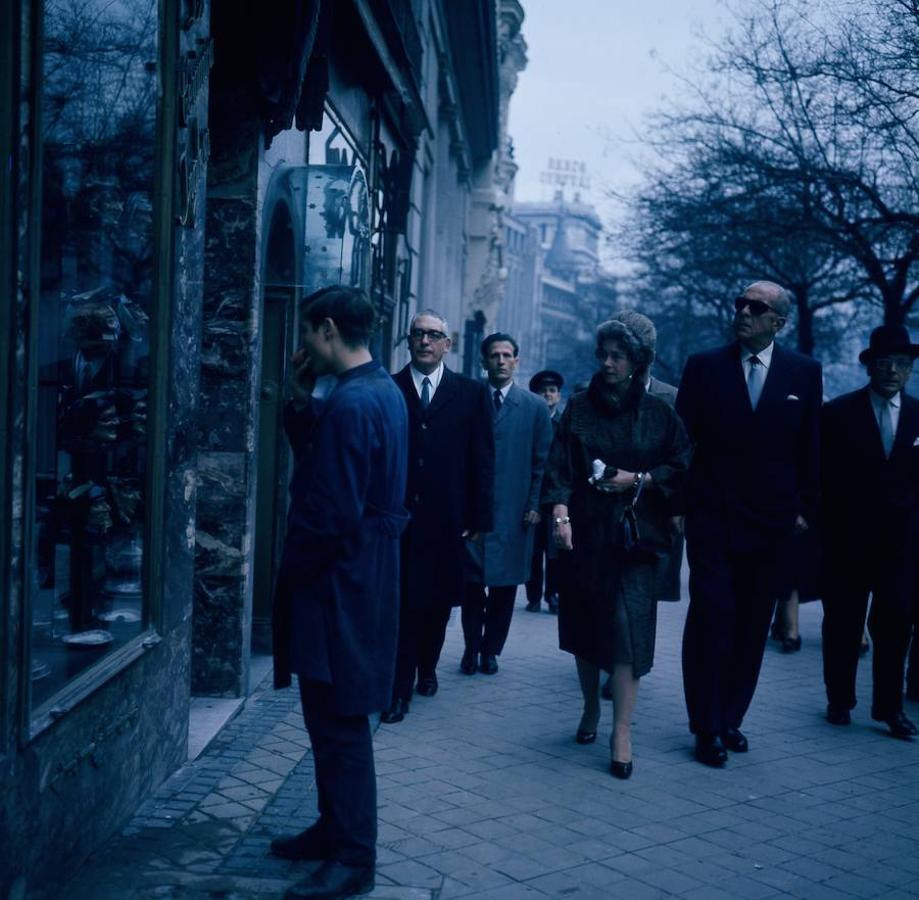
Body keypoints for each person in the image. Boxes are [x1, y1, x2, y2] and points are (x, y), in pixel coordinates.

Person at [269, 286, 409, 900]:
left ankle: (354, 857)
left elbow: (330, 509)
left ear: (327, 329)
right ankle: (334, 831)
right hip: (358, 573)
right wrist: (301, 403)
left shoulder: (355, 402)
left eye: (306, 333)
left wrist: (296, 570)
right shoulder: (376, 391)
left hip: (340, 582)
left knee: (340, 719)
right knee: (329, 716)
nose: (302, 346)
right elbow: (332, 466)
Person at [677, 281, 822, 767]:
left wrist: (804, 509)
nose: (742, 311)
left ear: (778, 321)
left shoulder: (804, 372)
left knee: (752, 623)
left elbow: (810, 449)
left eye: (755, 307)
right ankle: (705, 725)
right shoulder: (704, 368)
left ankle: (731, 717)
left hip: (772, 525)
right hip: (713, 519)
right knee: (711, 617)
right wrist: (682, 506)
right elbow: (682, 446)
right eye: (739, 303)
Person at [543, 319, 689, 779]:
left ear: (636, 362)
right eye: (602, 354)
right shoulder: (579, 408)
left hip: (636, 538)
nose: (607, 363)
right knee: (586, 626)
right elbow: (558, 467)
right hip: (586, 535)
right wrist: (561, 515)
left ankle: (621, 730)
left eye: (617, 356)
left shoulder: (659, 411)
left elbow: (682, 465)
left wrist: (639, 480)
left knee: (628, 632)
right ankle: (590, 708)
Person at [382, 310, 495, 723]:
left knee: (438, 604)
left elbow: (483, 458)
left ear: (448, 344)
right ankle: (399, 689)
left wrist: (480, 518)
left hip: (449, 520)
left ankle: (427, 666)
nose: (425, 341)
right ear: (408, 341)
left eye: (434, 335)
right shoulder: (389, 389)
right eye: (418, 334)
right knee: (405, 605)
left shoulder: (469, 393)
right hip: (400, 518)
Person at [821, 324, 919, 737]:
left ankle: (889, 708)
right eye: (884, 363)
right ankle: (839, 700)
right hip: (848, 538)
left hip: (901, 543)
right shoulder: (839, 413)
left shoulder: (918, 416)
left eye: (901, 364)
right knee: (843, 621)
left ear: (911, 370)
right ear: (869, 368)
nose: (892, 371)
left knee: (896, 624)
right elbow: (821, 474)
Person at [599, 310, 685, 701]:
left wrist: (647, 484)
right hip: (604, 517)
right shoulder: (597, 392)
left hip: (651, 520)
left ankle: (632, 667)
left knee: (639, 600)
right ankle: (611, 664)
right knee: (607, 596)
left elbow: (683, 460)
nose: (612, 361)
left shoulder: (670, 398)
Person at [462, 333, 553, 675]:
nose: (500, 361)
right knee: (471, 585)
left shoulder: (534, 407)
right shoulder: (469, 399)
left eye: (506, 355)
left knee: (504, 588)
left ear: (516, 360)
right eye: (494, 355)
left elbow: (542, 462)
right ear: (483, 361)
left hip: (516, 513)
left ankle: (491, 651)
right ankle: (471, 649)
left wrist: (535, 505)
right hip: (474, 512)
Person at [525, 369, 565, 614]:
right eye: (543, 391)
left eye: (552, 391)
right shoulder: (531, 421)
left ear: (559, 396)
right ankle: (533, 596)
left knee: (555, 550)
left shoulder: (565, 422)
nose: (548, 395)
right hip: (533, 494)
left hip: (556, 494)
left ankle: (553, 594)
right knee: (533, 549)